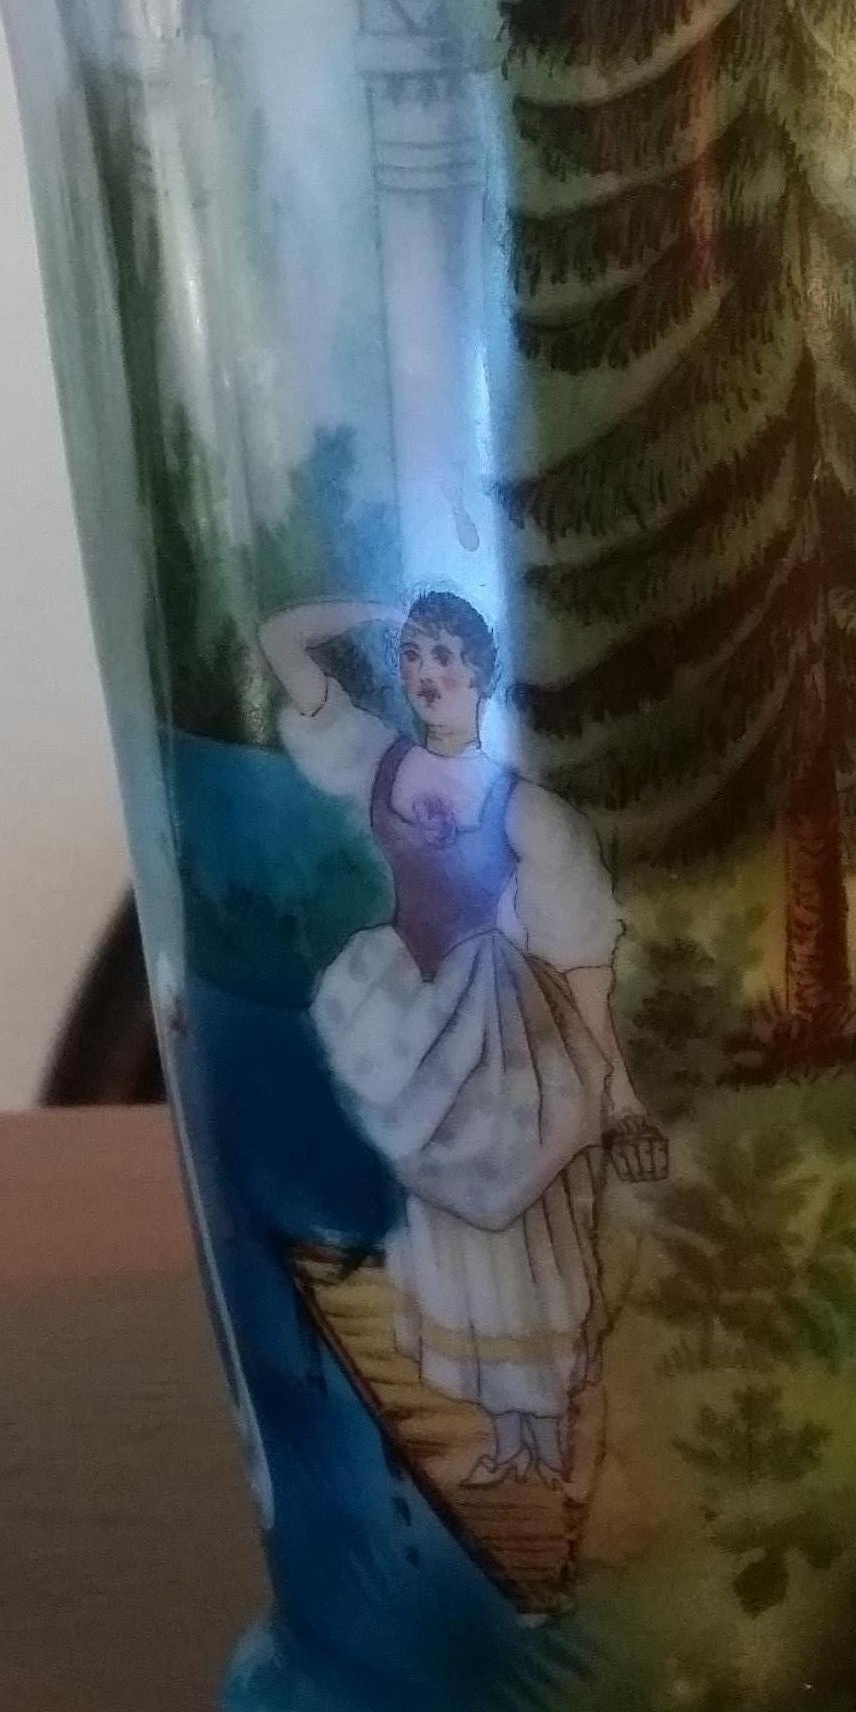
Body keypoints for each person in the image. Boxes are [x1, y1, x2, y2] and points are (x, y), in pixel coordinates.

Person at [261, 587, 665, 1489]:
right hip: (411, 1011)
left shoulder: (524, 808)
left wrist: (617, 1090)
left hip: (499, 1023)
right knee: (447, 1227)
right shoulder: (378, 761)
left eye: (446, 657)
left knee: (523, 1225)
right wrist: (378, 608)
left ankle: (545, 1432)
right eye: (414, 657)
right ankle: (504, 1434)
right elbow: (280, 638)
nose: (427, 674)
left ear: (481, 674)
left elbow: (582, 960)